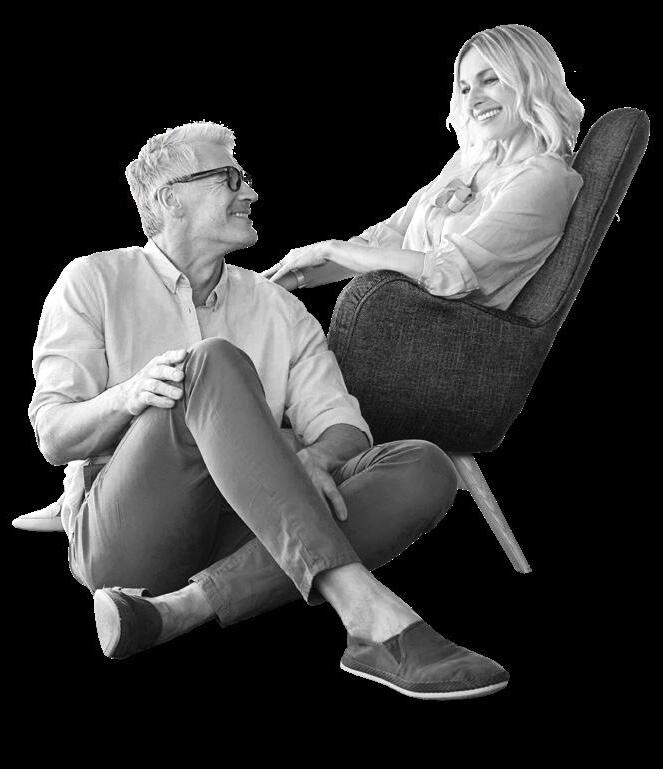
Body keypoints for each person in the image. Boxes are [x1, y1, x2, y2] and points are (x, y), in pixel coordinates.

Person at [27, 120, 510, 700]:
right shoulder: (93, 280)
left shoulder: (278, 306)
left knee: (424, 465)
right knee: (211, 362)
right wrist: (128, 395)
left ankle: (178, 610)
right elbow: (54, 436)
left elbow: (342, 427)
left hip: (256, 527)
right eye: (229, 178)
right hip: (130, 537)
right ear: (169, 198)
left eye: (246, 177)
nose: (251, 192)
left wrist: (317, 459)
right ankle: (368, 614)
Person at [262, 24, 584, 306]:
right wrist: (292, 278)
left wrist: (331, 249)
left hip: (444, 337)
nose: (472, 101)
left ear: (531, 81)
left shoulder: (544, 179)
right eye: (465, 88)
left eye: (490, 81)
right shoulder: (469, 161)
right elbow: (392, 234)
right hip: (393, 318)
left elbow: (452, 273)